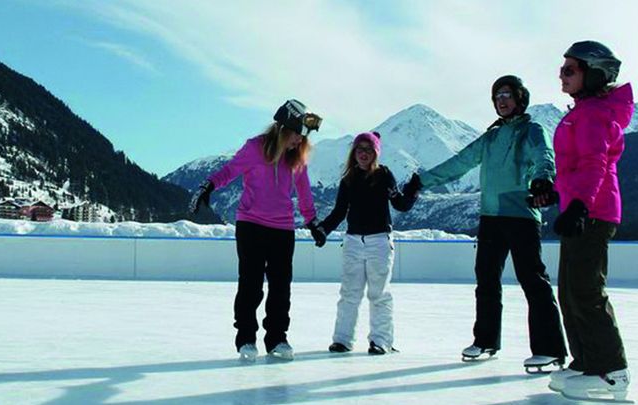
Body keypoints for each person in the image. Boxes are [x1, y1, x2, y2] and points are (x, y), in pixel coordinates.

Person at [405, 75, 568, 369]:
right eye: (497, 96)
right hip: (490, 216)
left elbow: (544, 155)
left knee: (532, 279)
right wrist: (422, 180)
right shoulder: (491, 137)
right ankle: (485, 340)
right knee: (486, 279)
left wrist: (543, 179)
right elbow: (461, 161)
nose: (501, 100)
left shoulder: (532, 130)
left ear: (520, 98)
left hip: (520, 214)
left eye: (507, 94)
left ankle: (551, 348)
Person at [189, 99, 323, 361]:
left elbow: (304, 191)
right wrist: (208, 186)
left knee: (281, 287)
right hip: (251, 225)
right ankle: (246, 339)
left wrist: (312, 221)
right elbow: (230, 171)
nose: (300, 141)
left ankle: (277, 339)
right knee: (251, 284)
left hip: (283, 229)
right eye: (297, 134)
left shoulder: (296, 158)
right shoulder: (255, 148)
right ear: (283, 128)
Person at [545, 41, 632, 402]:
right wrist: (552, 192)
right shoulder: (581, 112)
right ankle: (585, 362)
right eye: (561, 69)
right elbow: (574, 167)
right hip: (581, 208)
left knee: (585, 291)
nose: (561, 75)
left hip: (593, 212)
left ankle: (612, 371)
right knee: (569, 290)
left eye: (570, 70)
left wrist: (579, 205)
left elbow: (595, 164)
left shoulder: (594, 114)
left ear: (593, 74)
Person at [312, 131, 419, 355]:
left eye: (368, 149)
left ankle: (381, 340)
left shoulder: (384, 175)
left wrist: (411, 191)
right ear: (354, 153)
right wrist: (323, 229)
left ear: (375, 153)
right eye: (359, 149)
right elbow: (339, 212)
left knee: (379, 293)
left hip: (379, 241)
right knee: (349, 292)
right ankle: (342, 339)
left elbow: (399, 203)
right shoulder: (348, 180)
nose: (363, 153)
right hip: (352, 242)